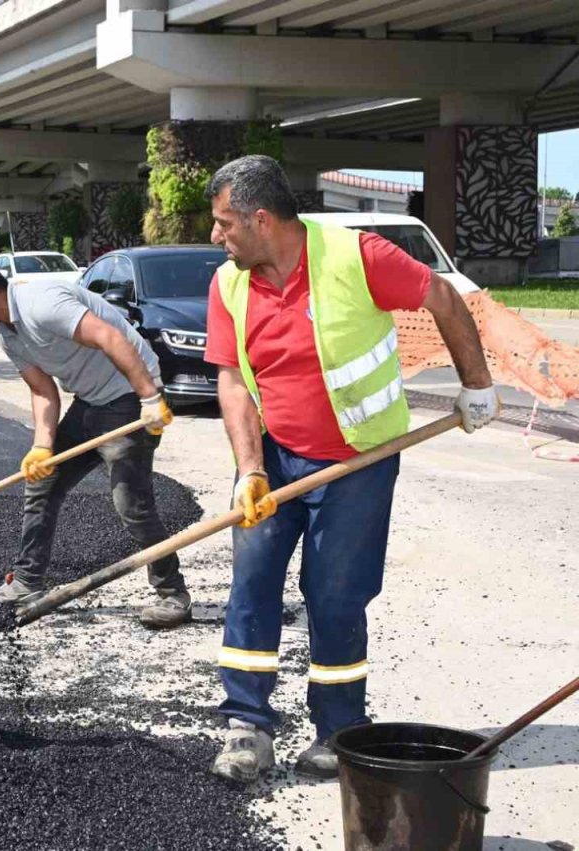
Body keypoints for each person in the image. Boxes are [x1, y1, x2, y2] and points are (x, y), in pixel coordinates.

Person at [202, 155, 498, 782]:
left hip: (360, 463)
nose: (216, 235)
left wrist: (476, 384)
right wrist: (249, 469)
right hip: (275, 461)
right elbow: (231, 380)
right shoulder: (229, 283)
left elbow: (442, 295)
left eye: (225, 222)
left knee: (336, 597)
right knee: (251, 582)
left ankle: (337, 730)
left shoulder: (356, 258)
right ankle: (246, 726)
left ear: (261, 219)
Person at [0, 256, 190, 628]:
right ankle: (27, 582)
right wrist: (42, 446)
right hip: (90, 401)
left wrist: (150, 398)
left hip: (128, 395)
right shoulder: (8, 334)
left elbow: (110, 336)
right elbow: (43, 391)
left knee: (130, 504)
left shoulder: (41, 304)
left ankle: (173, 594)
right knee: (42, 481)